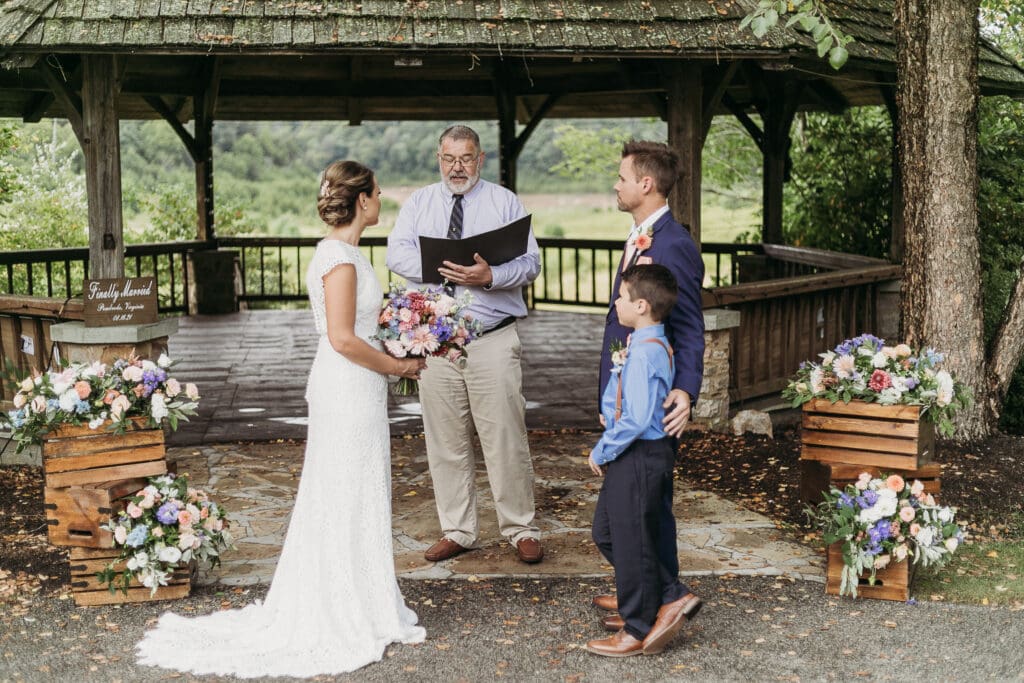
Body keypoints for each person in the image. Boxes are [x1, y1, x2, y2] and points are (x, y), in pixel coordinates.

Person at [136, 161, 427, 678]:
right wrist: (400, 365)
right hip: (347, 385)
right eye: (378, 193)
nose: (382, 200)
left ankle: (365, 594)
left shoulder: (344, 254)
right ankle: (338, 607)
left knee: (357, 486)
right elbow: (340, 337)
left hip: (356, 385)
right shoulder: (339, 259)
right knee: (342, 488)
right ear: (361, 201)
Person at [386, 124, 544, 564]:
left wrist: (489, 276)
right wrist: (445, 268)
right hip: (437, 342)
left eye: (466, 158)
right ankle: (458, 529)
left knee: (505, 438)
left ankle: (520, 528)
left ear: (481, 159)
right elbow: (394, 252)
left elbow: (531, 262)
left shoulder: (504, 201)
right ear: (439, 158)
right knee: (445, 441)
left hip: (492, 338)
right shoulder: (419, 203)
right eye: (449, 159)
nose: (458, 167)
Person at [589, 139, 706, 635]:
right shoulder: (639, 235)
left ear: (645, 183)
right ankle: (655, 590)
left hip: (651, 402)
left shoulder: (673, 243)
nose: (614, 185)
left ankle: (664, 595)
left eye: (621, 176)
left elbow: (688, 325)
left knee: (643, 508)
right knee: (641, 509)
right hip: (626, 391)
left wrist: (685, 389)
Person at [586, 264, 703, 657]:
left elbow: (636, 419)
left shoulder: (645, 353)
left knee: (630, 538)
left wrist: (602, 449)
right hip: (640, 454)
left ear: (639, 305)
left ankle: (637, 626)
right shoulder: (644, 343)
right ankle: (666, 595)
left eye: (620, 296)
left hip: (638, 453)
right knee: (606, 532)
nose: (615, 302)